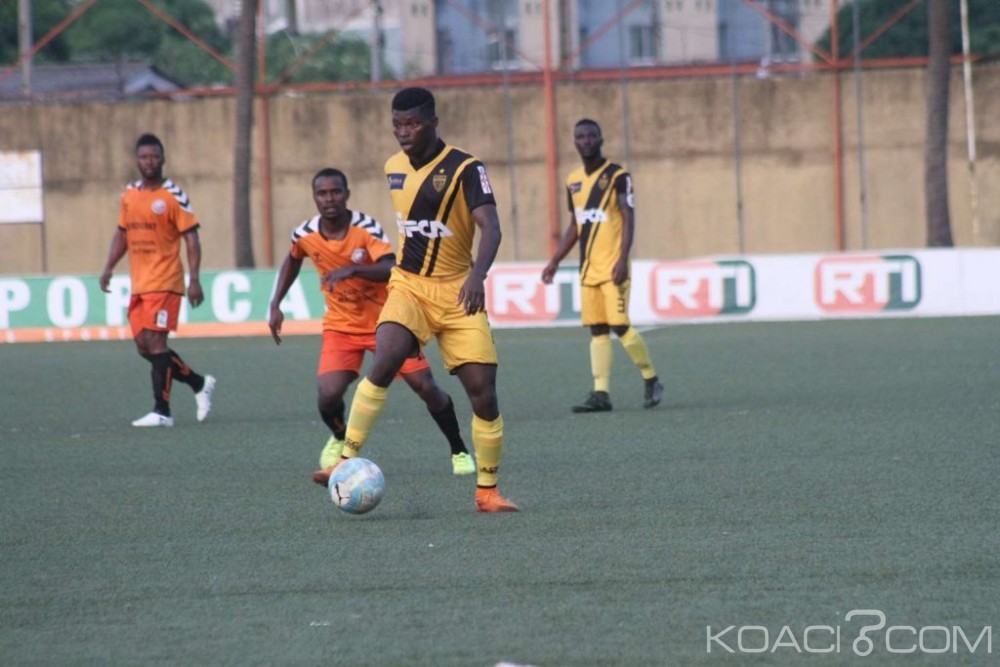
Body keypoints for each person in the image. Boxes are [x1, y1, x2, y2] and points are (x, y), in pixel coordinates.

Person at [320, 87, 518, 513]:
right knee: (385, 360)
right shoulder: (392, 166)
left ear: (432, 123)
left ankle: (487, 492)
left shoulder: (466, 168)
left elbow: (492, 227)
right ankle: (346, 460)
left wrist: (478, 276)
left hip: (457, 289)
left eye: (411, 124)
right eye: (397, 125)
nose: (403, 133)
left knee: (483, 394)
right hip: (409, 285)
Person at [268, 167, 475, 477]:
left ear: (347, 194)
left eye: (336, 192)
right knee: (327, 394)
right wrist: (275, 303)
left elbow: (391, 267)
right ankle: (340, 438)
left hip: (388, 323)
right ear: (314, 197)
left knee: (426, 387)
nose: (329, 199)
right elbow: (294, 257)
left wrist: (353, 270)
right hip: (342, 326)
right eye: (322, 193)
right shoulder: (305, 233)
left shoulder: (366, 228)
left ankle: (458, 449)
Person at [541, 118, 663, 413]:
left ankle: (651, 378)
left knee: (619, 325)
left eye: (590, 136)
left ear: (600, 139)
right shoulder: (573, 181)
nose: (585, 141)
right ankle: (601, 393)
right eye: (580, 137)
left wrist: (623, 259)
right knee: (597, 330)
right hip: (588, 270)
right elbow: (575, 225)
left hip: (613, 267)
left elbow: (628, 216)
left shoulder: (618, 176)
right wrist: (555, 260)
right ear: (574, 142)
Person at [99, 133, 216, 427]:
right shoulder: (130, 194)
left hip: (166, 281)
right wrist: (109, 266)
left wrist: (195, 279)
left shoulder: (174, 196)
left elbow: (192, 239)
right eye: (144, 157)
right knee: (144, 346)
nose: (149, 162)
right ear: (137, 160)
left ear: (163, 159)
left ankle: (162, 411)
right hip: (140, 283)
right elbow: (122, 233)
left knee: (157, 343)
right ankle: (200, 384)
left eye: (154, 156)